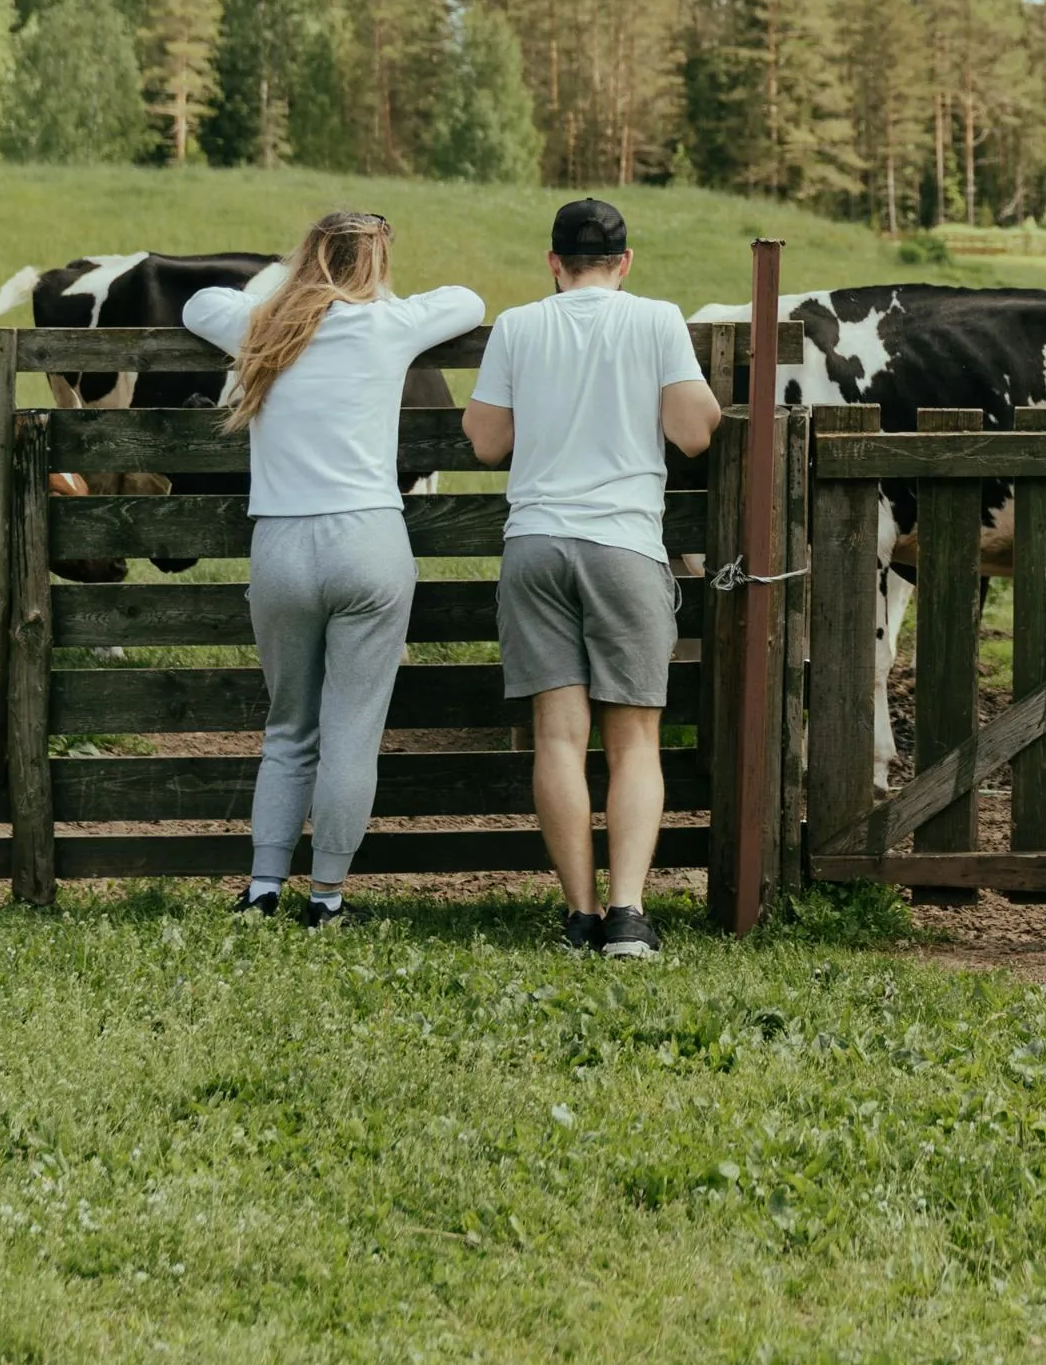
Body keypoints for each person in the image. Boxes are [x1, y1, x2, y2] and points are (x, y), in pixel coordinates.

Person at [182, 212, 485, 930]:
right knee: (351, 732)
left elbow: (197, 303)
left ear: (309, 256)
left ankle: (261, 888)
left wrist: (284, 296)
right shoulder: (390, 323)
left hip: (282, 546)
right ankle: (326, 899)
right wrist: (381, 294)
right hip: (368, 541)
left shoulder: (261, 325)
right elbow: (469, 302)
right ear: (376, 260)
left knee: (288, 727)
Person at [462, 198, 718, 959]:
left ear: (553, 262)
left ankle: (577, 915)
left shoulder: (518, 325)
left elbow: (483, 441)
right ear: (625, 262)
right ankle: (628, 915)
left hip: (535, 543)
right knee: (636, 740)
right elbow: (694, 431)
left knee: (557, 736)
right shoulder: (656, 319)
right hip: (623, 546)